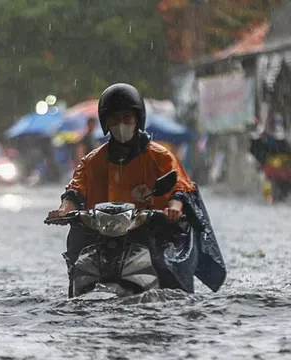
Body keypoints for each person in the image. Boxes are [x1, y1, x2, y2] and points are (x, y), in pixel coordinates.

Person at [46, 83, 226, 293]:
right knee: (78, 253)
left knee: (166, 268)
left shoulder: (161, 156)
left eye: (127, 118)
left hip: (152, 230)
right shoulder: (92, 161)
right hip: (103, 233)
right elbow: (75, 191)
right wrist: (63, 210)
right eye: (115, 119)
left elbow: (179, 187)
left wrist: (174, 208)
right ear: (106, 122)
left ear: (137, 119)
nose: (121, 124)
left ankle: (174, 295)